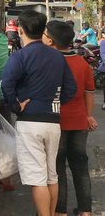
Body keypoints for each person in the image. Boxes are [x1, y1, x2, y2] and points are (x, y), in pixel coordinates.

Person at [0, 9, 78, 216]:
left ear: (21, 31)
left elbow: (6, 84)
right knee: (52, 176)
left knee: (38, 179)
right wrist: (54, 103)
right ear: (43, 29)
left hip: (30, 122)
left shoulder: (19, 57)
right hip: (53, 122)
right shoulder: (58, 57)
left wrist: (16, 106)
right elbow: (71, 88)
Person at [42, 21, 97, 216]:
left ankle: (60, 211)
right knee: (80, 166)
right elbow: (89, 92)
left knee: (58, 168)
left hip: (56, 121)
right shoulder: (82, 63)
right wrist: (88, 115)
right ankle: (85, 212)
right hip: (80, 121)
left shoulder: (49, 63)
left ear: (50, 40)